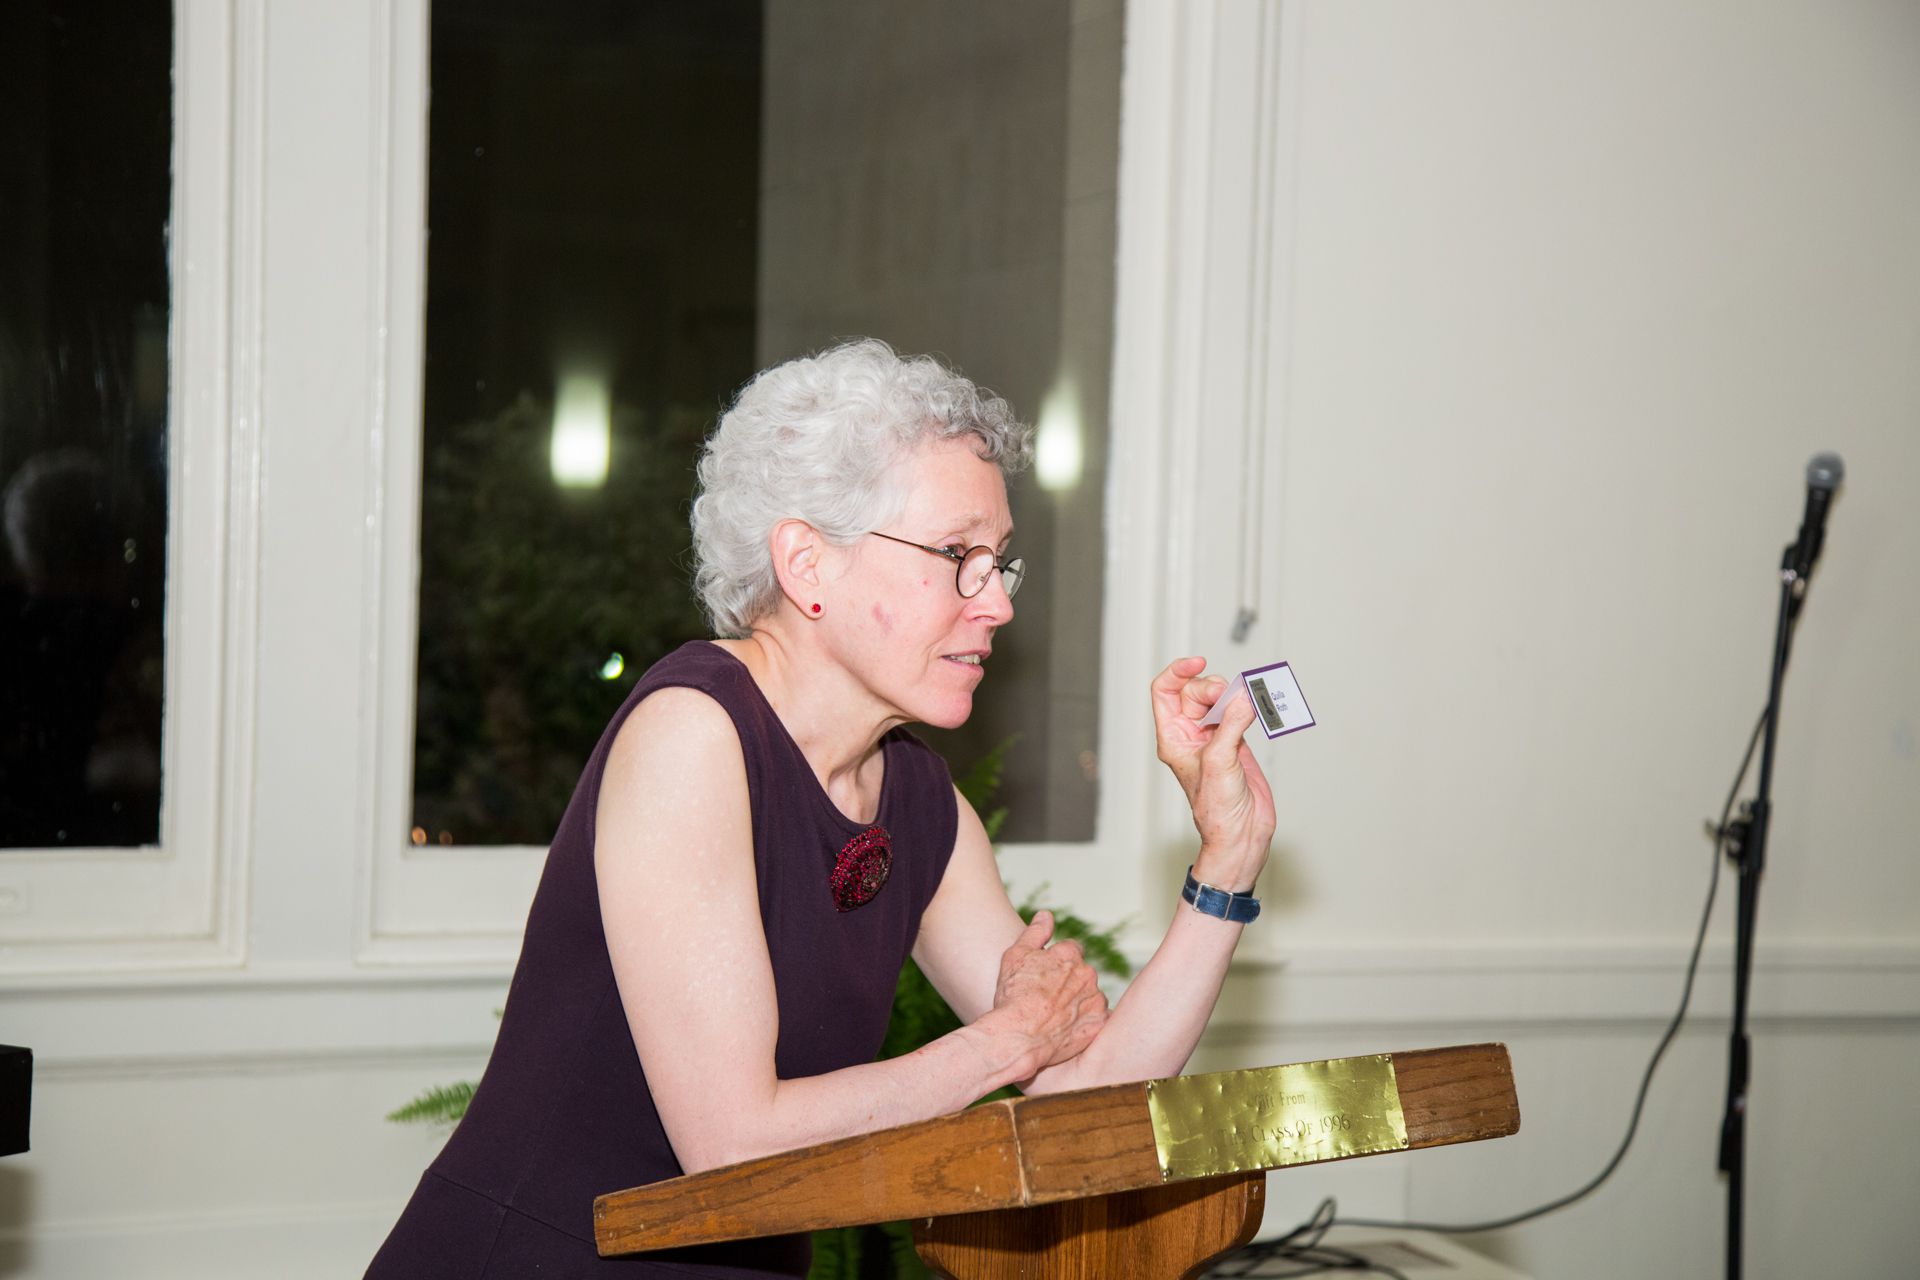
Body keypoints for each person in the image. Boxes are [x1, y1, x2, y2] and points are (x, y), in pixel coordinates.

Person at [367, 339, 1275, 1278]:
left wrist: (1229, 862)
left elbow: (1087, 1093)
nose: (995, 604)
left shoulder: (922, 804)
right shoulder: (693, 735)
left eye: (998, 563)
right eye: (957, 555)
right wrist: (1003, 1043)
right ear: (806, 563)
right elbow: (732, 1146)